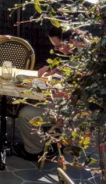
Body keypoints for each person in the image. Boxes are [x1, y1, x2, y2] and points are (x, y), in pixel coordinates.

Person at [13, 26, 86, 161]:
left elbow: (74, 94)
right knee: (32, 96)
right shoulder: (80, 55)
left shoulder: (83, 63)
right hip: (64, 102)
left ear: (72, 41)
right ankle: (49, 141)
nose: (57, 50)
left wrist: (45, 92)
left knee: (25, 114)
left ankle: (34, 151)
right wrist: (54, 68)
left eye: (58, 46)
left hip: (70, 111)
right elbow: (67, 72)